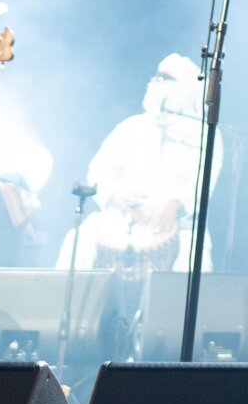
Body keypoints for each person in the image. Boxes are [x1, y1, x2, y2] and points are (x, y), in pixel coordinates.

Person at [60, 53, 208, 273]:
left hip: (176, 224)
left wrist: (175, 204)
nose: (154, 83)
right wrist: (116, 196)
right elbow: (99, 171)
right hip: (120, 219)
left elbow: (204, 182)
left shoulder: (203, 134)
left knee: (195, 253)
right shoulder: (130, 127)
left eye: (164, 78)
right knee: (78, 240)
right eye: (154, 77)